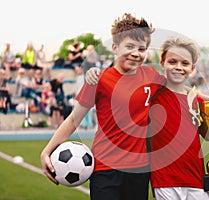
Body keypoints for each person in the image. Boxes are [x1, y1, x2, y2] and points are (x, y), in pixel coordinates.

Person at [40, 13, 164, 200]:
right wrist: (47, 150)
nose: (136, 53)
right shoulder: (99, 79)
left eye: (142, 48)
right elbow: (74, 119)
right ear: (115, 47)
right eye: (129, 46)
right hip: (105, 169)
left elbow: (181, 90)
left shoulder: (151, 75)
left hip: (139, 171)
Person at [149, 37, 209, 200]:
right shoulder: (154, 92)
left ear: (193, 68)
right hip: (165, 182)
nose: (178, 67)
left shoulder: (198, 102)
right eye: (172, 61)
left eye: (185, 63)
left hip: (196, 182)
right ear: (162, 63)